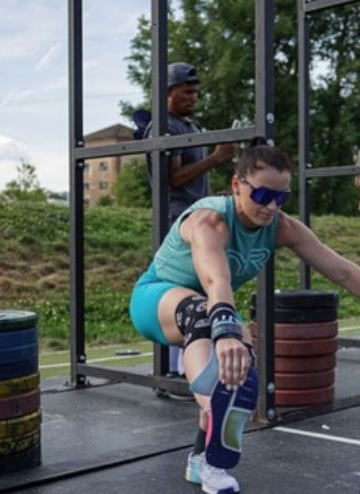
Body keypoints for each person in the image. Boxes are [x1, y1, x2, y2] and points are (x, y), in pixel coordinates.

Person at [129, 145, 360, 493]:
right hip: (157, 300)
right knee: (214, 330)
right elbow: (215, 280)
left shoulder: (280, 226)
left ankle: (203, 460)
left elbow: (341, 271)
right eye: (262, 194)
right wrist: (226, 331)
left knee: (239, 355)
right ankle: (214, 397)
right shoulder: (210, 222)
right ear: (236, 184)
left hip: (213, 304)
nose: (270, 206)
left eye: (280, 197)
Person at [144, 62, 237, 385]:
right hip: (177, 218)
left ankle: (190, 367)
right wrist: (215, 158)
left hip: (197, 214)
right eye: (186, 92)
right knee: (180, 288)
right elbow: (173, 178)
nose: (193, 97)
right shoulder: (164, 127)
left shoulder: (191, 127)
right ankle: (173, 369)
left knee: (200, 287)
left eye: (196, 92)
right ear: (168, 92)